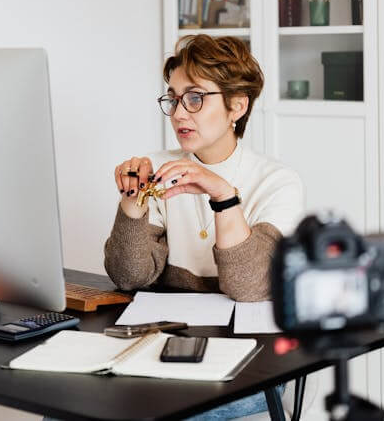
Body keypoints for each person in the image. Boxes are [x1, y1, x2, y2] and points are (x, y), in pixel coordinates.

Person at [104, 35, 303, 419]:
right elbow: (130, 276)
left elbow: (249, 288)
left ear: (237, 106)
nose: (180, 113)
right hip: (166, 349)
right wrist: (132, 203)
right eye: (174, 98)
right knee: (66, 407)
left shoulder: (278, 181)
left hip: (253, 363)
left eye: (195, 98)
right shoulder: (158, 168)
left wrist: (222, 195)